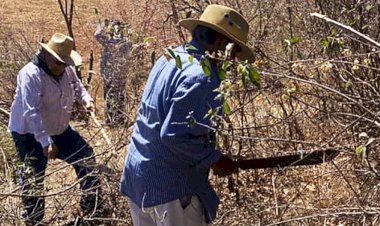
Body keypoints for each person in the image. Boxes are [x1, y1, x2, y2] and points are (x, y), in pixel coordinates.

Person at [119, 4, 255, 226]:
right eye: (235, 52)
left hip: (139, 178)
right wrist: (214, 159)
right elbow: (175, 135)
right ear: (222, 44)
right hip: (170, 188)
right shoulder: (203, 76)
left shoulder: (168, 58)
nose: (232, 61)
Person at [8, 33, 103, 225]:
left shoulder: (66, 70)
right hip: (29, 134)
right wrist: (45, 141)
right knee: (32, 179)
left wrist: (86, 99)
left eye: (65, 63)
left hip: (60, 130)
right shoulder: (30, 75)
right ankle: (33, 220)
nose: (62, 66)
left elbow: (77, 85)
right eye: (59, 62)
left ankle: (91, 209)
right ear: (46, 54)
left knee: (86, 157)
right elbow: (31, 111)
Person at [94, 19, 132, 126]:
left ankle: (118, 119)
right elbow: (97, 35)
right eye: (115, 27)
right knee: (111, 96)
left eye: (118, 27)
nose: (117, 29)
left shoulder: (123, 42)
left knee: (118, 96)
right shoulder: (111, 41)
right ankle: (111, 120)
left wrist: (104, 26)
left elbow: (97, 34)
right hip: (111, 74)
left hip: (117, 74)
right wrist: (104, 25)